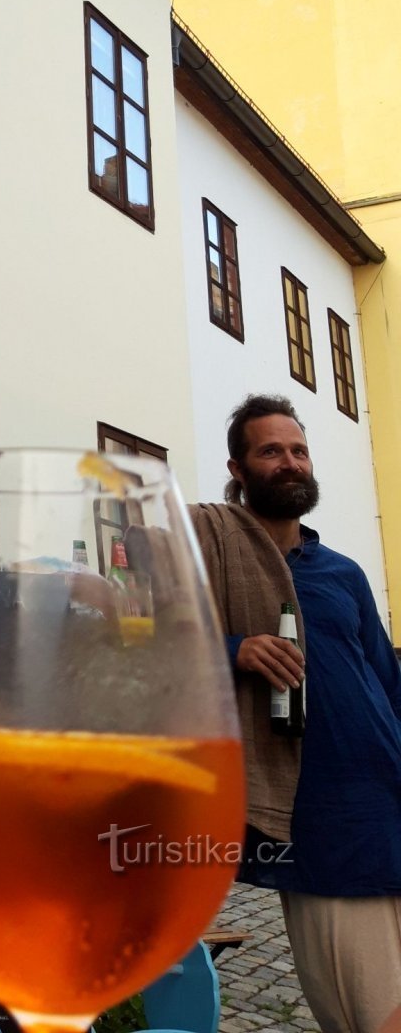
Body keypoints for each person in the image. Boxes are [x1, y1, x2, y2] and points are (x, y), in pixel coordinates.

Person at [191, 392, 401, 1033]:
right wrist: (235, 649)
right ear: (238, 468)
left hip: (388, 800)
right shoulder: (213, 556)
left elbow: (386, 682)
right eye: (271, 451)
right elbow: (152, 645)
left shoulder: (342, 572)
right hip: (320, 819)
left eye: (299, 450)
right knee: (372, 1016)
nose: (290, 462)